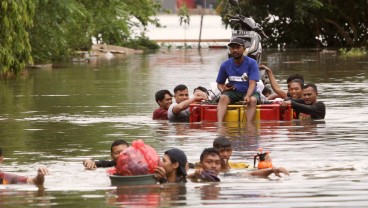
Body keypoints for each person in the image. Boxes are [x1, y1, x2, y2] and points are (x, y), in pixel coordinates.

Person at [216, 38, 260, 123]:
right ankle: (220, 125)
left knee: (252, 100)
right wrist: (223, 90)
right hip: (233, 92)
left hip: (249, 91)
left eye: (238, 47)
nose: (235, 50)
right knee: (223, 98)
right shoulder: (225, 65)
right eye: (232, 48)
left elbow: (252, 84)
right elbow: (220, 83)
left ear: (244, 49)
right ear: (230, 50)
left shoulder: (252, 63)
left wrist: (247, 95)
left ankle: (249, 125)